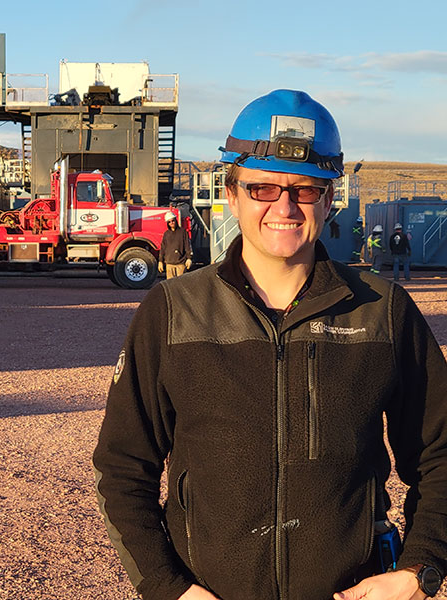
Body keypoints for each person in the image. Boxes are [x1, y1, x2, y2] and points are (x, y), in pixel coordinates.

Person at [93, 89, 447, 600]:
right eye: (263, 188)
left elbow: (441, 453)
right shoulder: (172, 313)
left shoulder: (383, 313)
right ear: (232, 193)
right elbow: (123, 467)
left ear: (329, 199)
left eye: (304, 190)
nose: (284, 206)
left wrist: (419, 569)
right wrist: (170, 590)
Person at [158, 210, 193, 279]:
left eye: (173, 220)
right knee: (171, 286)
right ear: (167, 223)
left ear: (175, 220)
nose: (172, 223)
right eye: (169, 222)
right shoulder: (166, 234)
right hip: (169, 264)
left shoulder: (183, 232)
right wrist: (160, 261)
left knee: (181, 285)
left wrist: (189, 258)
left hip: (181, 264)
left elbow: (187, 246)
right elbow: (163, 249)